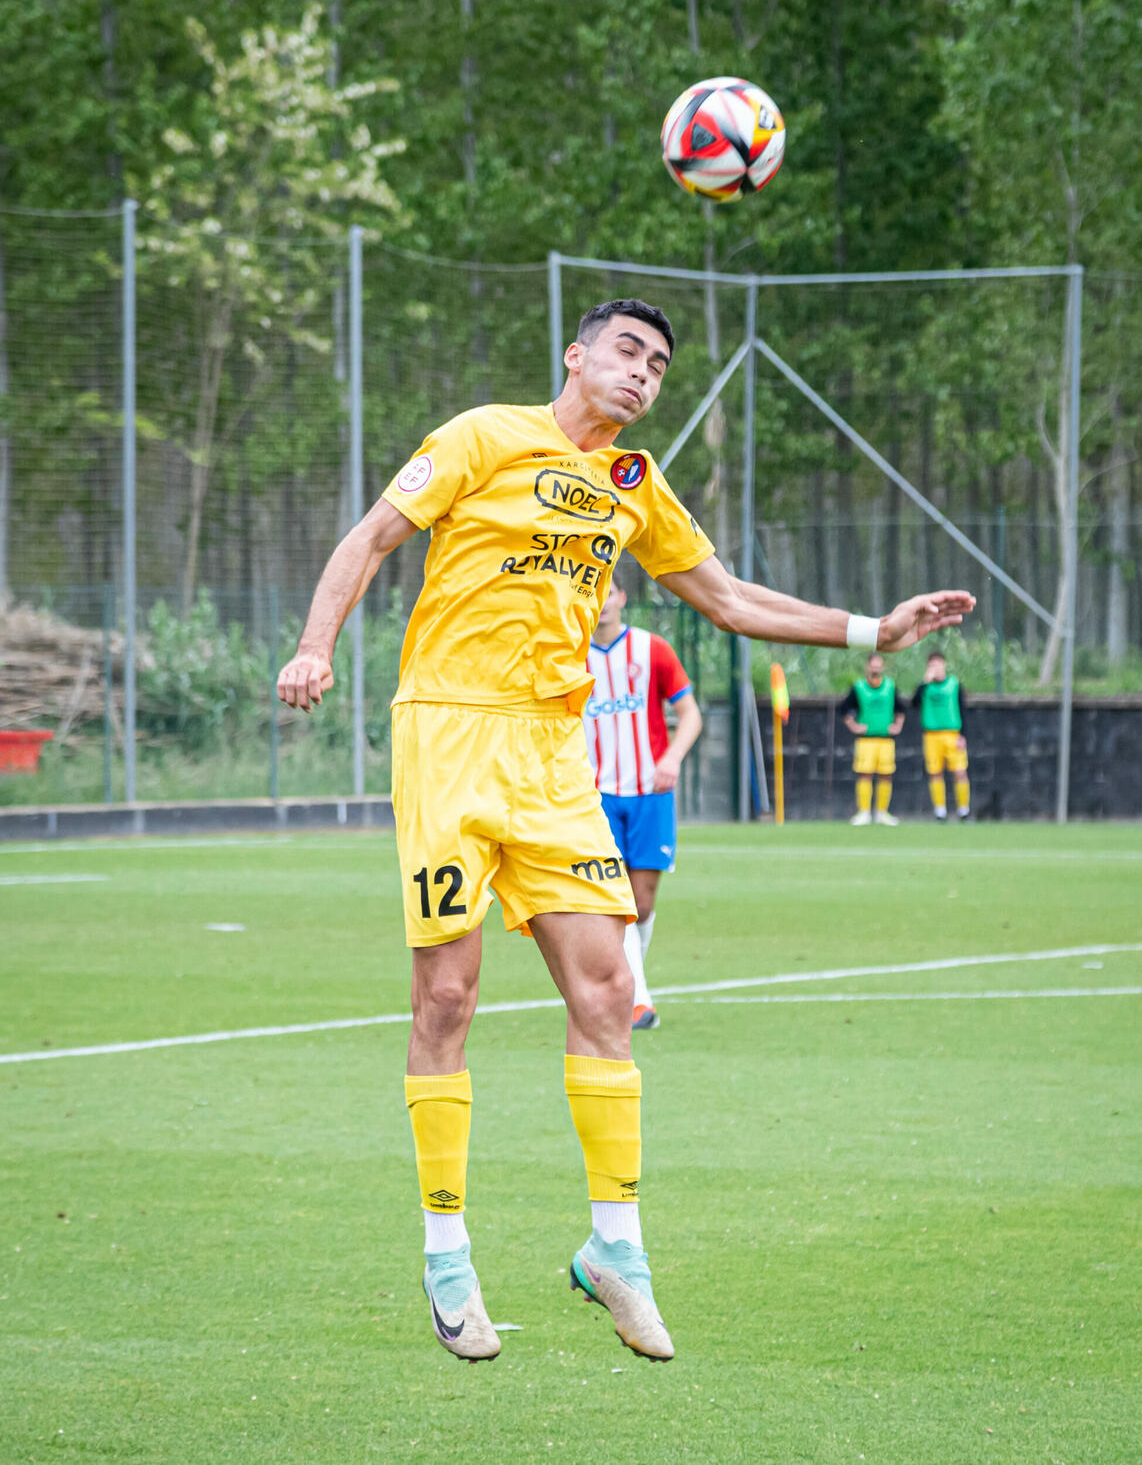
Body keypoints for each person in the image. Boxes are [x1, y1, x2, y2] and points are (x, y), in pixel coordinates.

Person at [276, 296, 975, 1366]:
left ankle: (615, 1250)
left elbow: (727, 599)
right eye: (627, 350)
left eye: (658, 365)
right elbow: (370, 538)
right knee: (447, 996)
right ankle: (447, 1254)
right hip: (450, 734)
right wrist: (315, 645)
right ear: (576, 355)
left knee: (607, 991)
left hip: (554, 757)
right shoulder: (483, 435)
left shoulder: (634, 483)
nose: (643, 372)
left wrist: (871, 629)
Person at [584, 576, 703, 1030]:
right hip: (596, 797)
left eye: (609, 592)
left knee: (643, 901)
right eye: (593, 592)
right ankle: (637, 999)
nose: (601, 602)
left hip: (650, 793)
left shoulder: (652, 649)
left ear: (621, 597)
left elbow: (690, 714)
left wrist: (672, 758)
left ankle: (630, 982)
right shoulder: (568, 655)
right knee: (617, 901)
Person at [839, 652, 904, 826]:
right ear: (868, 666)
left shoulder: (890, 686)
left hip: (885, 739)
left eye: (878, 664)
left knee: (886, 775)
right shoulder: (859, 687)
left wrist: (897, 725)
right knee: (865, 774)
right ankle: (864, 812)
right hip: (866, 740)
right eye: (873, 664)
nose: (876, 668)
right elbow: (844, 710)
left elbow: (900, 710)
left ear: (882, 666)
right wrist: (853, 726)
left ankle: (882, 812)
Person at [912, 649, 970, 820]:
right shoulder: (925, 687)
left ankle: (964, 810)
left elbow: (963, 710)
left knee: (960, 771)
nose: (935, 668)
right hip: (931, 735)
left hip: (952, 734)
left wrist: (963, 735)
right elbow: (914, 704)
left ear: (943, 665)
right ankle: (940, 810)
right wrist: (924, 682)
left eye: (937, 664)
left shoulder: (954, 684)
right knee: (935, 772)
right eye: (931, 665)